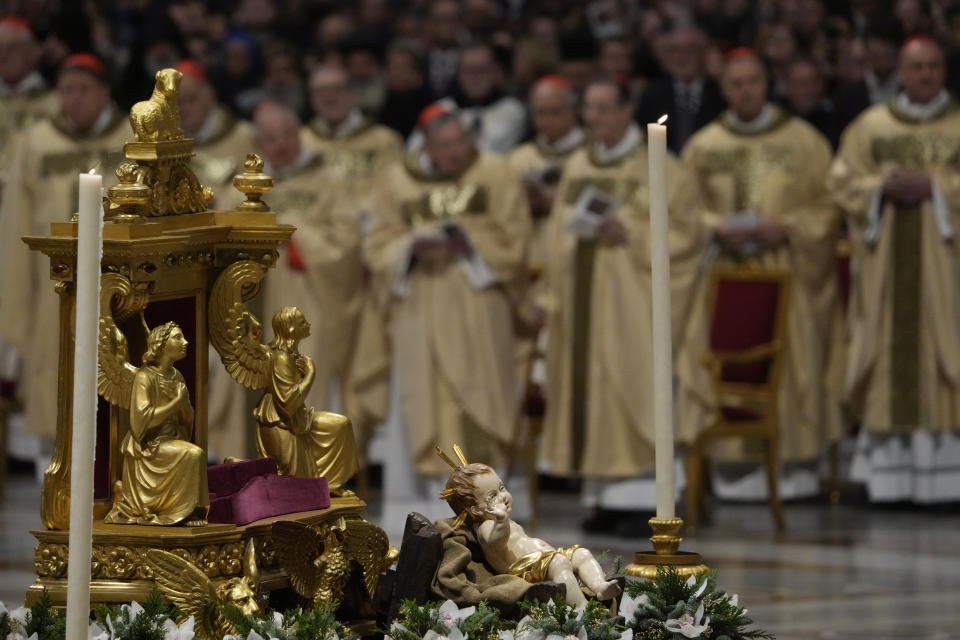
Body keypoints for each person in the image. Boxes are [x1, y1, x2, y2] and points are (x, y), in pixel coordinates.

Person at [537, 78, 703, 532]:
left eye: (604, 108)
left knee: (635, 389)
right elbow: (555, 233)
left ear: (627, 110)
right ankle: (606, 499)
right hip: (585, 303)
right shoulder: (576, 165)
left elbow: (688, 236)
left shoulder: (663, 166)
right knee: (595, 393)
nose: (594, 118)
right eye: (588, 108)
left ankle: (647, 500)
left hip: (635, 308)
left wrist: (630, 232)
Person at [677, 48, 843, 501]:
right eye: (735, 83)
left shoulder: (805, 142)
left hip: (788, 271)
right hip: (723, 275)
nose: (745, 90)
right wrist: (716, 228)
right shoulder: (703, 147)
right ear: (724, 88)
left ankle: (792, 470)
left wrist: (787, 226)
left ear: (767, 83)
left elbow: (828, 206)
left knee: (793, 363)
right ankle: (725, 469)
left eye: (752, 80)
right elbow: (683, 210)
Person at [363, 106, 530, 486]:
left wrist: (470, 243)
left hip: (478, 301)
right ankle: (433, 493)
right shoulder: (396, 181)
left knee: (483, 388)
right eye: (445, 145)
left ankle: (486, 494)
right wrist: (408, 247)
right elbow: (378, 244)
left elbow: (515, 238)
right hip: (420, 301)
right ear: (428, 146)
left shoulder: (495, 172)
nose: (456, 152)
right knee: (428, 392)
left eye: (460, 141)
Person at [827, 36, 960, 503]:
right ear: (900, 73)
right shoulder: (870, 127)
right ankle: (889, 482)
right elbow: (842, 182)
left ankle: (945, 482)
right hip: (885, 273)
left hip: (946, 271)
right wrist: (881, 187)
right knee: (886, 353)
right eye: (916, 66)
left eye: (933, 66)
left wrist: (935, 186)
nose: (925, 74)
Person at [0, 53, 129, 451]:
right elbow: (17, 224)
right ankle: (52, 485)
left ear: (105, 92)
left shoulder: (130, 138)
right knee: (55, 384)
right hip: (53, 287)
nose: (74, 99)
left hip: (118, 285)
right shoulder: (35, 142)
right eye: (67, 90)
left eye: (84, 89)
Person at [439, 455, 619, 607]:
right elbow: (496, 541)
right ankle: (581, 608)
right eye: (492, 496)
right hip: (522, 570)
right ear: (476, 511)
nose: (503, 496)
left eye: (501, 488)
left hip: (545, 560)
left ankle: (599, 587)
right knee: (560, 563)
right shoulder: (487, 527)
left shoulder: (499, 520)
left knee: (581, 554)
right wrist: (501, 521)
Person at [106, 322, 209, 526]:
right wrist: (176, 403)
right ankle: (187, 512)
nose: (185, 342)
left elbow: (187, 420)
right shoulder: (144, 377)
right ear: (161, 344)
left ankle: (190, 511)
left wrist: (184, 407)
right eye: (178, 337)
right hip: (148, 449)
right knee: (195, 454)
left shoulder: (177, 376)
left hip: (170, 442)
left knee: (193, 452)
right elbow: (140, 424)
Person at [254, 307, 360, 489]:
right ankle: (321, 489)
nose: (308, 324)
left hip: (298, 420)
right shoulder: (280, 359)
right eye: (303, 322)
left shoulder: (291, 355)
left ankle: (331, 485)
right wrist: (310, 375)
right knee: (299, 486)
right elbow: (287, 405)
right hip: (281, 425)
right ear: (291, 330)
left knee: (342, 425)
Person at [507, 75, 584, 273]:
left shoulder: (592, 156)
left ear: (573, 111)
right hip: (533, 255)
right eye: (540, 113)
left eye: (555, 112)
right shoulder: (518, 159)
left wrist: (558, 202)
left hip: (579, 253)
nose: (546, 120)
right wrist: (525, 203)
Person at [302, 64, 403, 203]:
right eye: (322, 91)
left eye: (337, 89)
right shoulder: (301, 141)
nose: (330, 97)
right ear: (312, 100)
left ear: (352, 94)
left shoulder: (384, 139)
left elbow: (397, 187)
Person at [423, 41, 526, 154]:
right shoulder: (440, 108)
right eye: (468, 70)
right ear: (458, 73)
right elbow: (416, 152)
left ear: (496, 72)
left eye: (482, 70)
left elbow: (486, 151)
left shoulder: (512, 110)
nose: (475, 78)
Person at [636, 25, 725, 154]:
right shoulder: (652, 94)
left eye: (689, 49)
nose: (682, 56)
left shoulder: (720, 93)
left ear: (702, 53)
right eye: (675, 50)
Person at [175, 60, 255, 201]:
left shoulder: (243, 135)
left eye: (191, 99)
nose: (185, 109)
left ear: (210, 97)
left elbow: (256, 187)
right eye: (179, 102)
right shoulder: (169, 146)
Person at [0, 16, 57, 179]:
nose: (3, 56)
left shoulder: (56, 103)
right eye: (0, 48)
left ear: (34, 51)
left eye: (12, 48)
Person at [834, 19, 903, 133]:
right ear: (865, 48)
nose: (883, 50)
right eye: (878, 43)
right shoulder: (847, 95)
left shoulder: (912, 92)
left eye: (888, 43)